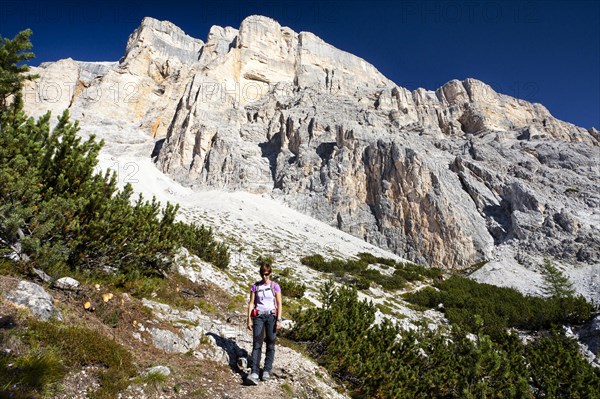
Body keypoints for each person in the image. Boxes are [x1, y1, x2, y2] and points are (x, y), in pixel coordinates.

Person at [246, 262, 282, 385]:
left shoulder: (275, 286)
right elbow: (251, 303)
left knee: (271, 343)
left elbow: (279, 303)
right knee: (257, 343)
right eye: (262, 274)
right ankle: (255, 372)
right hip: (259, 316)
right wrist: (249, 318)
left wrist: (279, 319)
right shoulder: (255, 286)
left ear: (270, 273)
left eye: (266, 274)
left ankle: (267, 370)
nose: (264, 277)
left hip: (271, 316)